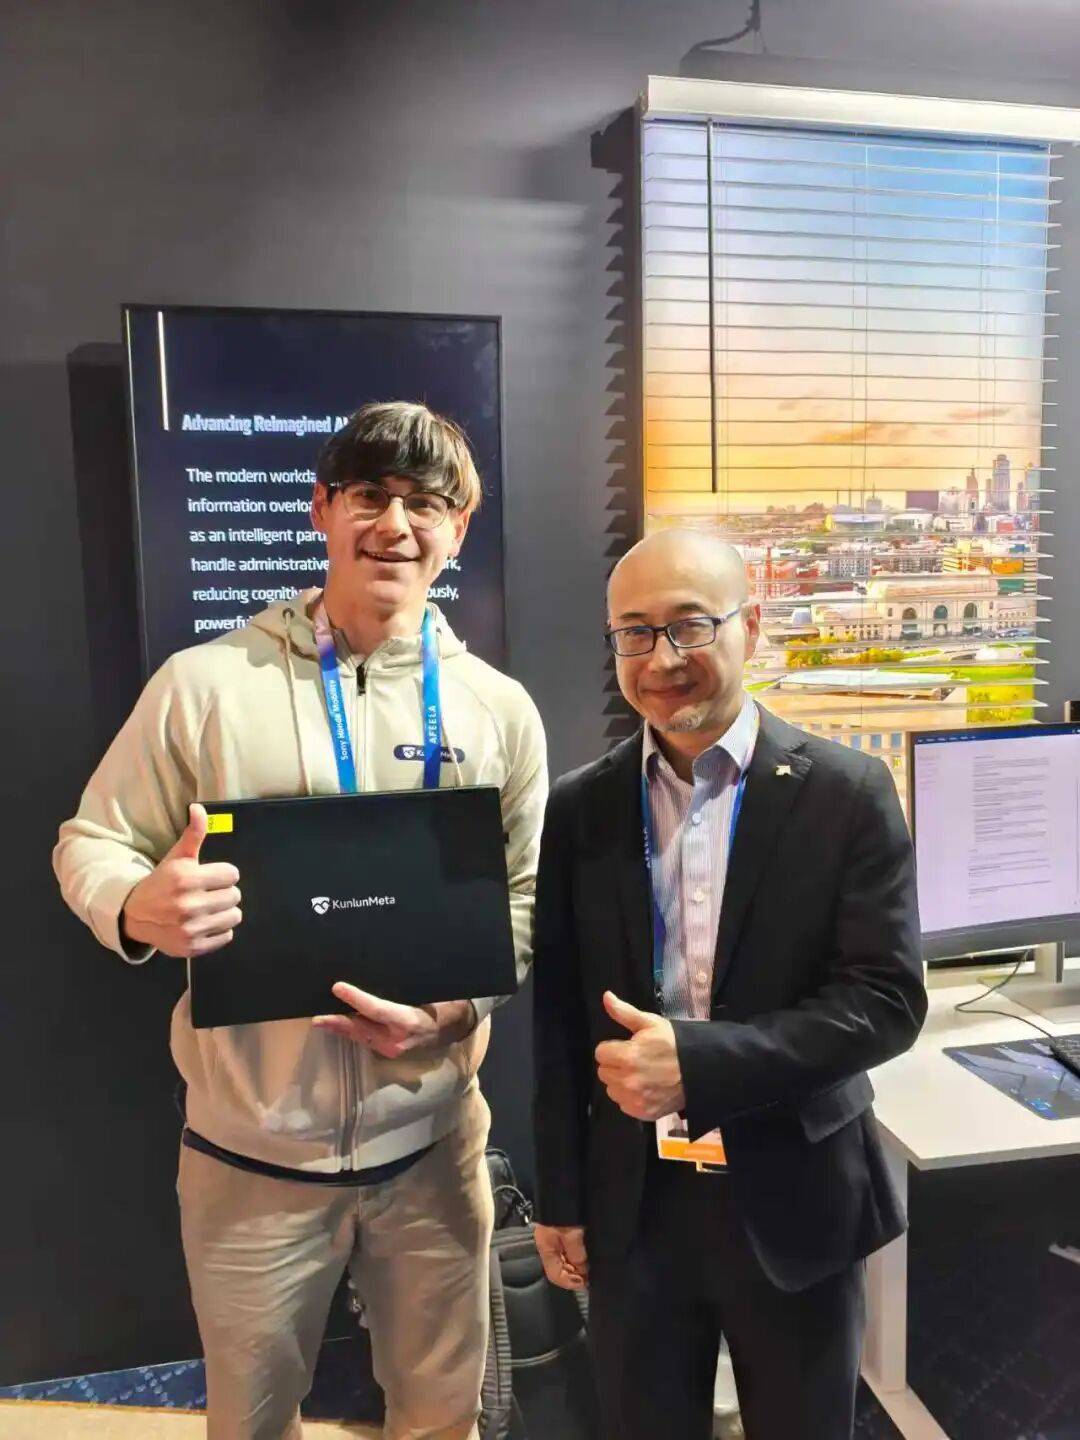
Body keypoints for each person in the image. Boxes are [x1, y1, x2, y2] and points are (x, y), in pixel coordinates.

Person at [54, 401, 547, 1440]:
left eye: (426, 505)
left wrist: (454, 1010)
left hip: (434, 1154)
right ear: (321, 509)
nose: (396, 525)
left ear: (458, 530)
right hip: (250, 1165)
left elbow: (527, 897)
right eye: (369, 495)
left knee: (441, 1419)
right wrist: (136, 905)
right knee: (250, 1423)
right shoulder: (204, 685)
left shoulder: (496, 710)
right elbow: (91, 840)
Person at [531, 529, 926, 1440]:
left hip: (794, 1193)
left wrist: (700, 1064)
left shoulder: (847, 792)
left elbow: (886, 1001)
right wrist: (560, 1195)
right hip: (635, 1206)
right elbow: (556, 1020)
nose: (661, 659)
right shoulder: (580, 807)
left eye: (690, 626)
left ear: (751, 625)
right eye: (634, 632)